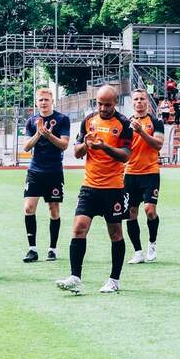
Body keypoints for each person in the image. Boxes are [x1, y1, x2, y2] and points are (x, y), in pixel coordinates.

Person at [56, 85, 133, 295]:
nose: (103, 108)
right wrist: (86, 145)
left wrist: (104, 147)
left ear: (115, 103)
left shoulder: (124, 124)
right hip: (89, 186)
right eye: (99, 104)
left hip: (113, 188)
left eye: (107, 105)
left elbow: (126, 155)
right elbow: (77, 151)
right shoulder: (88, 120)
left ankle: (114, 279)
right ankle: (75, 277)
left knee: (115, 233)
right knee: (78, 228)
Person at [21, 87, 70, 263]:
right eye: (40, 100)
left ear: (52, 101)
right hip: (35, 171)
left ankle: (52, 249)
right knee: (28, 208)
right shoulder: (31, 121)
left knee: (54, 209)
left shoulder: (62, 119)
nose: (43, 103)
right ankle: (32, 249)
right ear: (36, 102)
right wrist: (38, 133)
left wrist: (49, 135)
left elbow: (64, 145)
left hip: (54, 171)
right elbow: (26, 147)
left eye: (46, 100)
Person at [124, 89, 165, 264]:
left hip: (150, 172)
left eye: (142, 99)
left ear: (147, 101)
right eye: (136, 99)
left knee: (150, 210)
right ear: (132, 102)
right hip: (130, 173)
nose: (139, 102)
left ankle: (152, 244)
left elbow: (158, 144)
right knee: (131, 213)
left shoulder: (156, 122)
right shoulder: (125, 123)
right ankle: (138, 252)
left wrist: (141, 132)